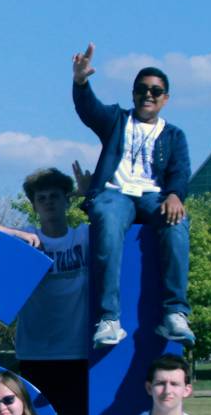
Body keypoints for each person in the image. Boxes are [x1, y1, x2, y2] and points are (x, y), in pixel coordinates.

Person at [69, 44, 193, 347]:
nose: (147, 95)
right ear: (133, 93)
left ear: (165, 98)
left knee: (176, 223)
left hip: (153, 195)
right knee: (107, 223)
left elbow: (180, 171)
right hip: (115, 194)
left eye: (155, 90)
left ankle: (175, 313)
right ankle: (109, 318)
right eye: (141, 89)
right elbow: (89, 110)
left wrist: (175, 195)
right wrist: (81, 82)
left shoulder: (174, 135)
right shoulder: (116, 120)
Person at [0, 167, 91, 415]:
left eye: (55, 196)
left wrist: (90, 195)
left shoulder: (83, 237)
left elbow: (116, 230)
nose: (49, 203)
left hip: (78, 353)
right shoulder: (29, 240)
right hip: (37, 353)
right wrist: (16, 234)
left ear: (68, 201)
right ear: (34, 205)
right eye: (41, 198)